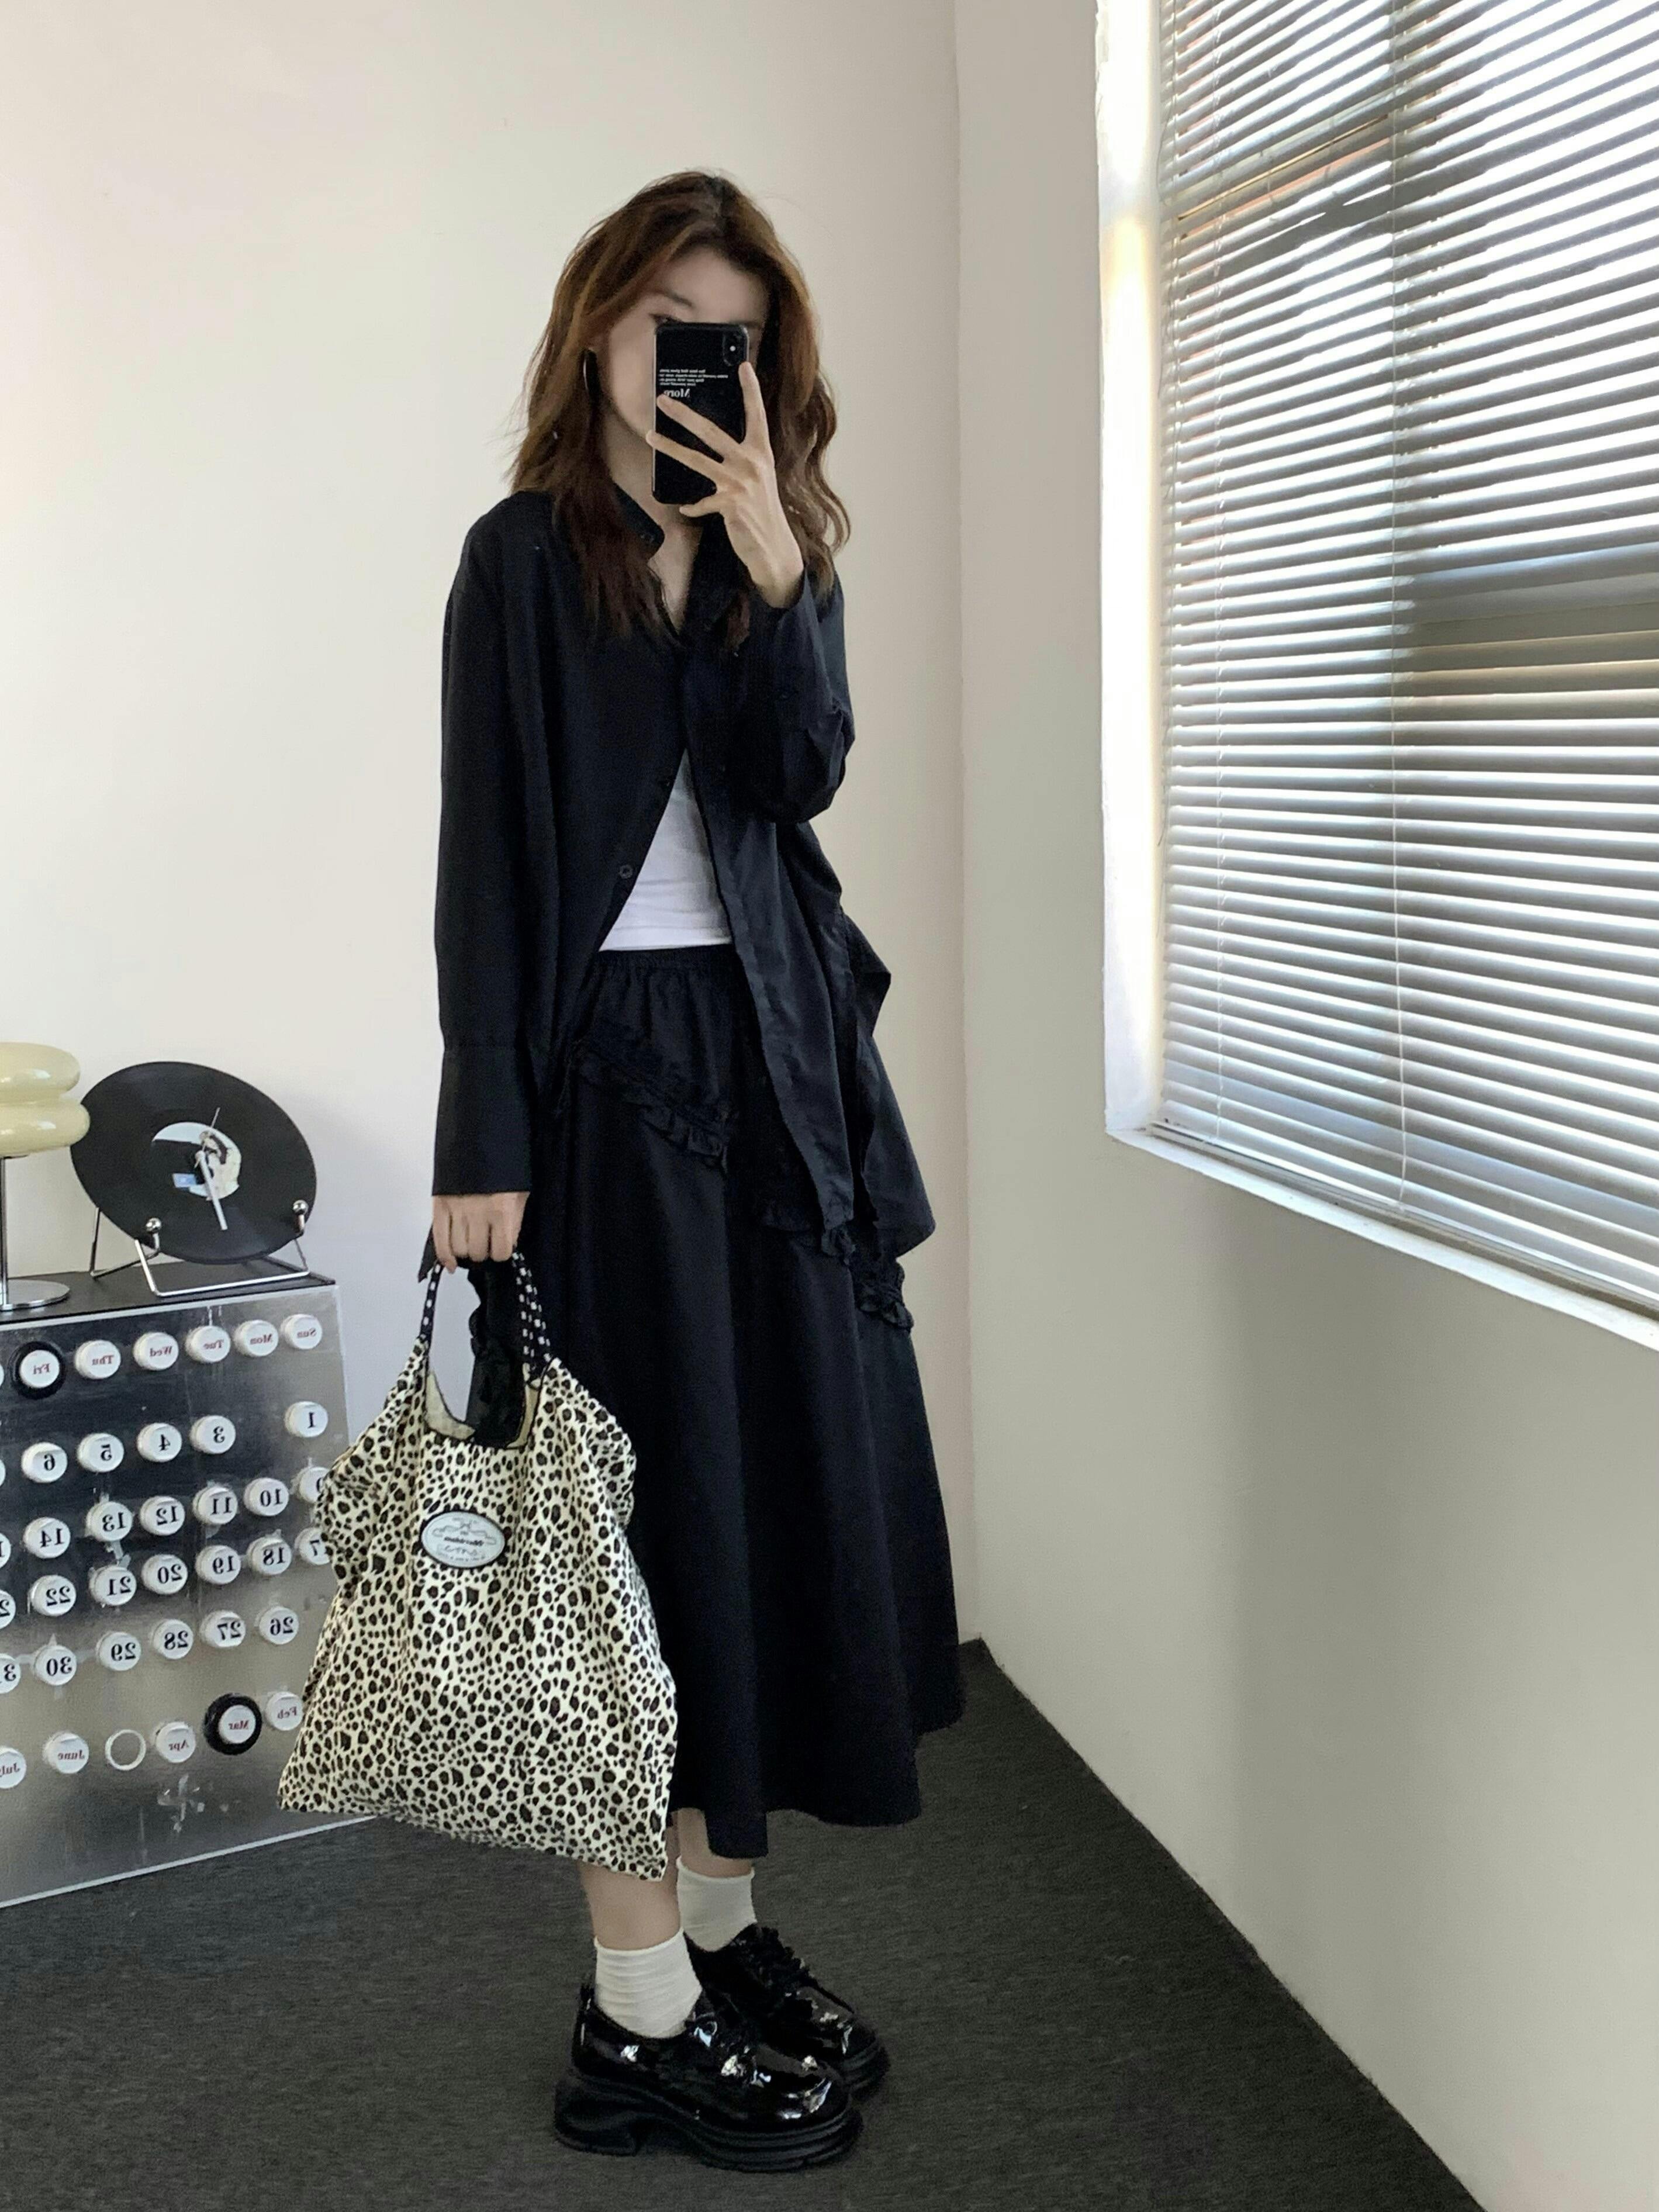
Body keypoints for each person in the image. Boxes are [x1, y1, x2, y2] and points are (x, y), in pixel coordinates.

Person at [426, 169, 965, 2172]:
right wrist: (484, 1130)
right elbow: (487, 858)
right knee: (622, 1554)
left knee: (774, 1516)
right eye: (666, 324)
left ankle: (718, 1940)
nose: (693, 362)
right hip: (605, 1085)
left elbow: (799, 779)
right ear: (599, 334)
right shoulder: (520, 560)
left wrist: (775, 570)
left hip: (783, 1073)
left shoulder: (778, 542)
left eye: (727, 333)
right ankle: (634, 2007)